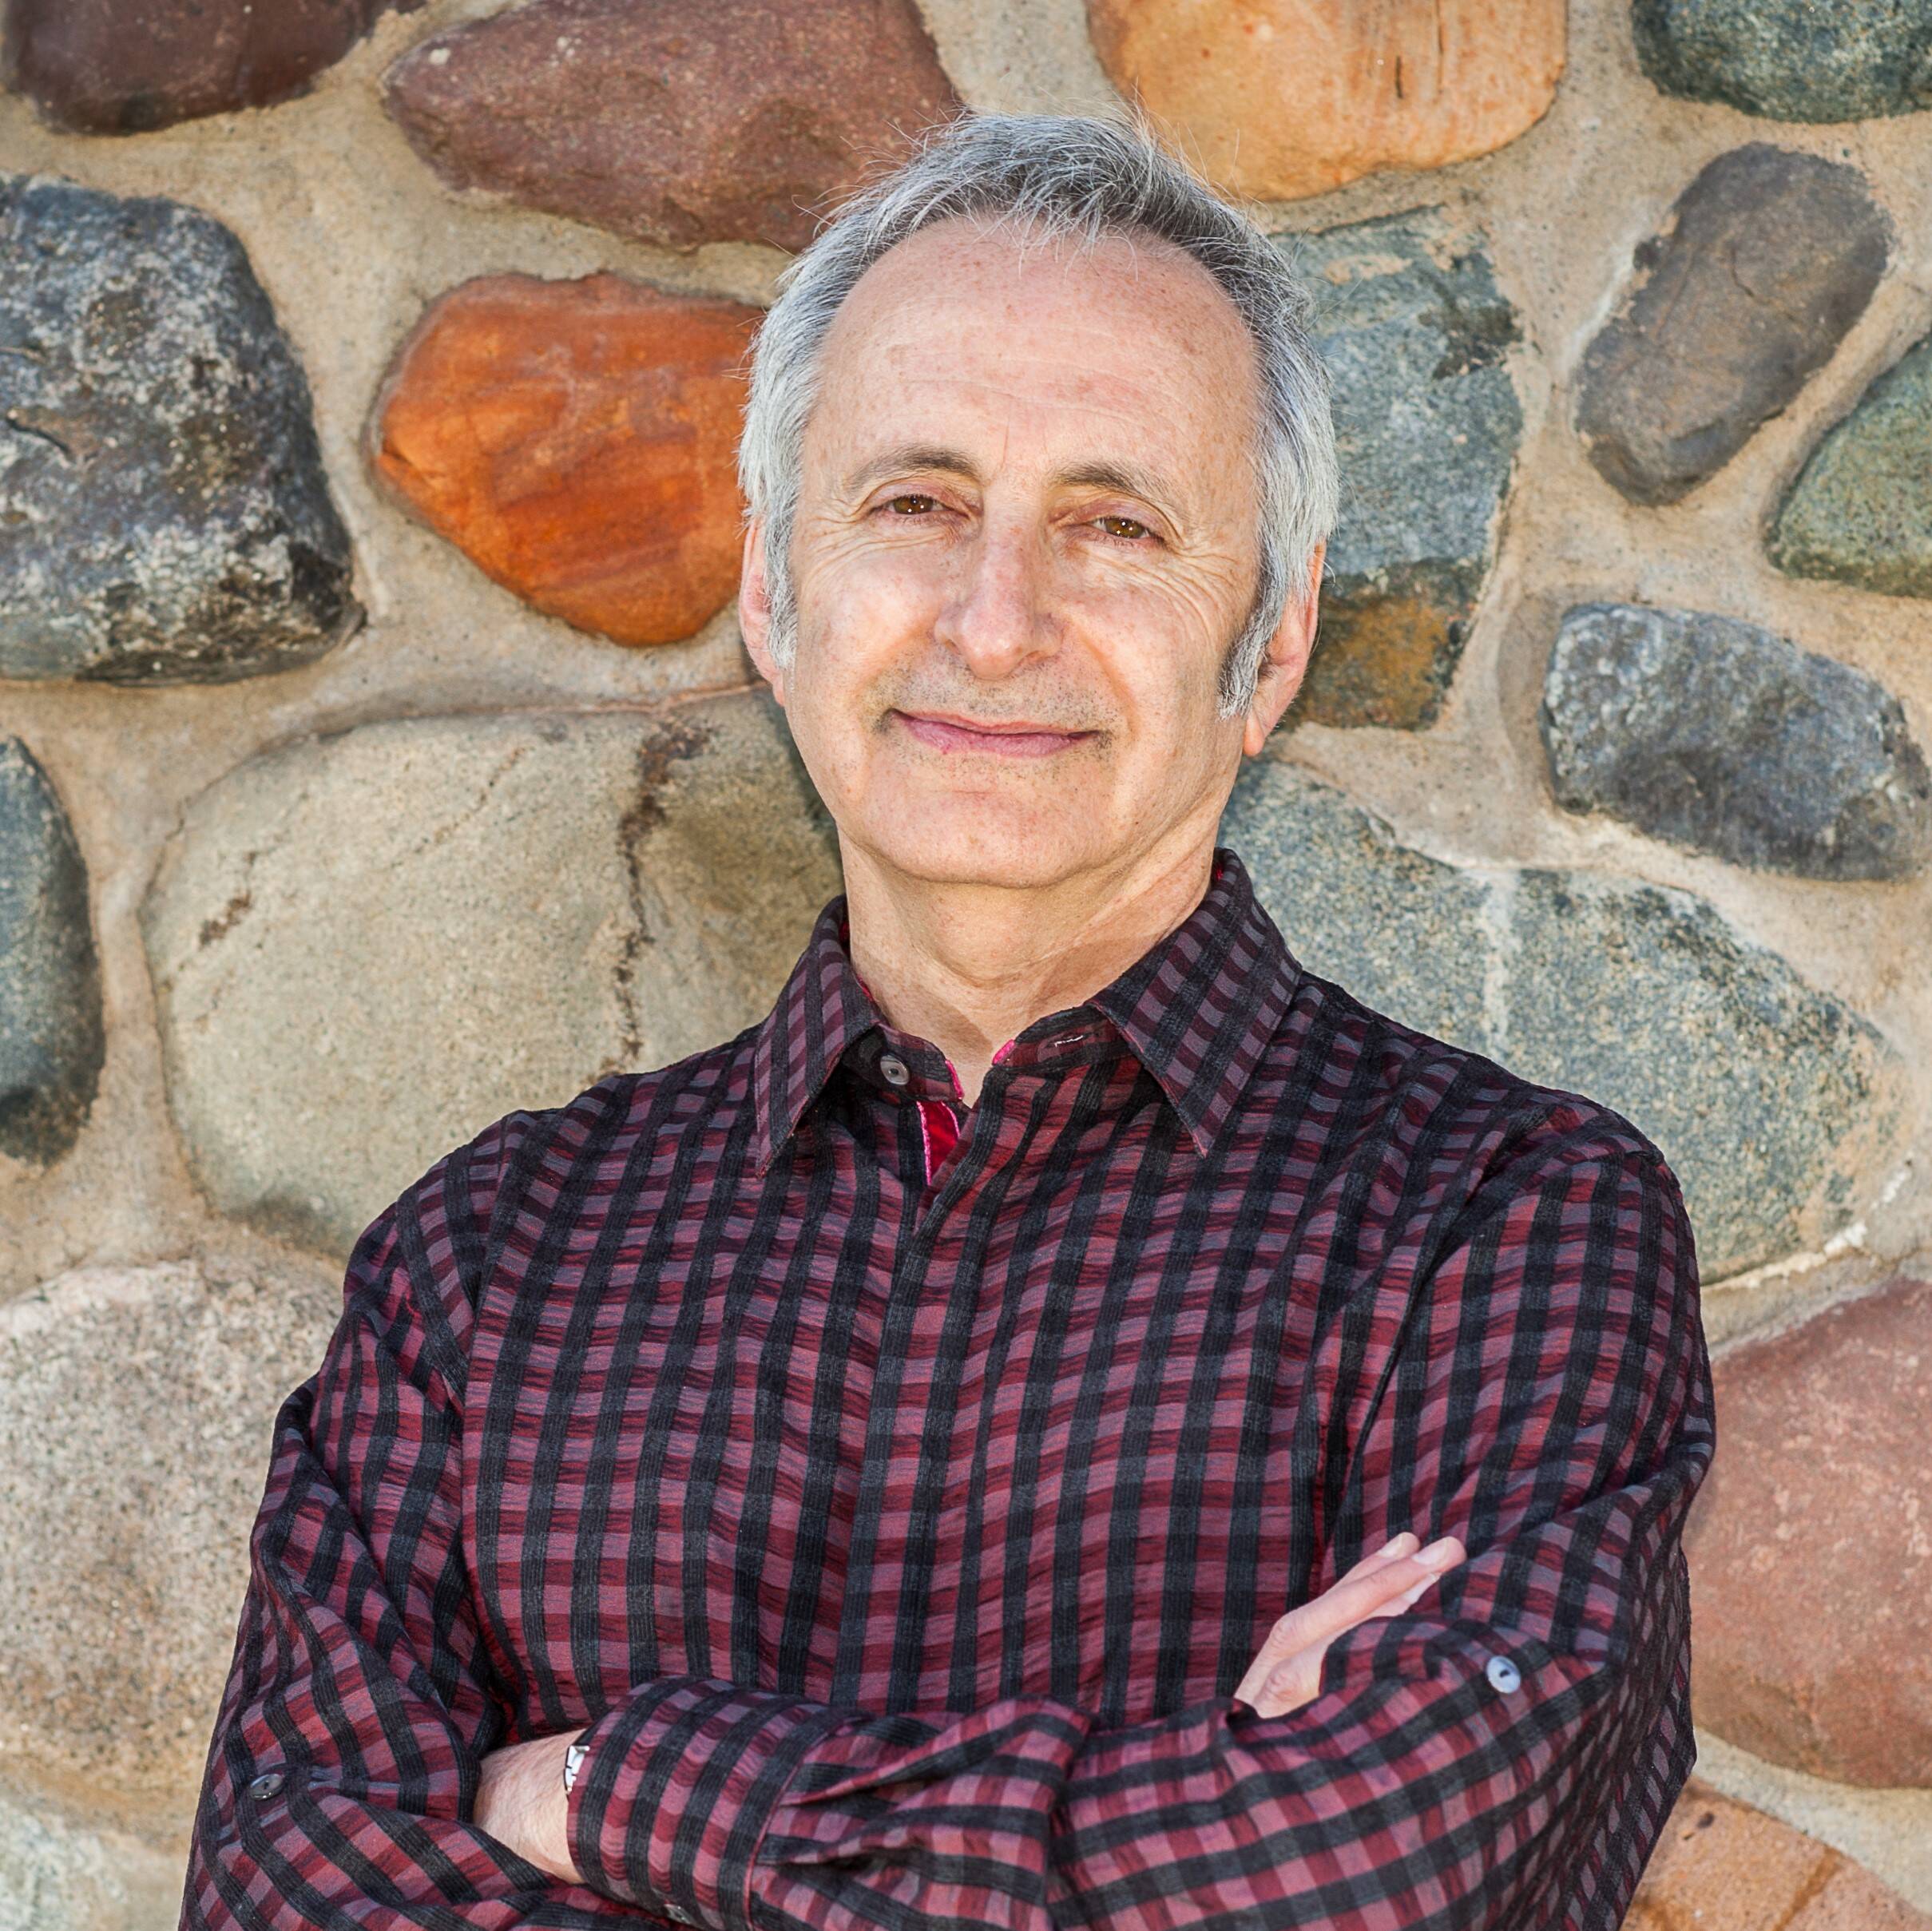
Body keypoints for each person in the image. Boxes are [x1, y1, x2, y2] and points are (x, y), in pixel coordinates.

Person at [178, 111, 1715, 1931]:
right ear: (774, 590)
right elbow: (290, 1899)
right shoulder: (487, 1265)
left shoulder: (1508, 1228)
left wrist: (596, 1793)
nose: (996, 624)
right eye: (915, 505)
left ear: (1269, 643)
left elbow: (1374, 1888)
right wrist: (1173, 1815)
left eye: (1115, 523)